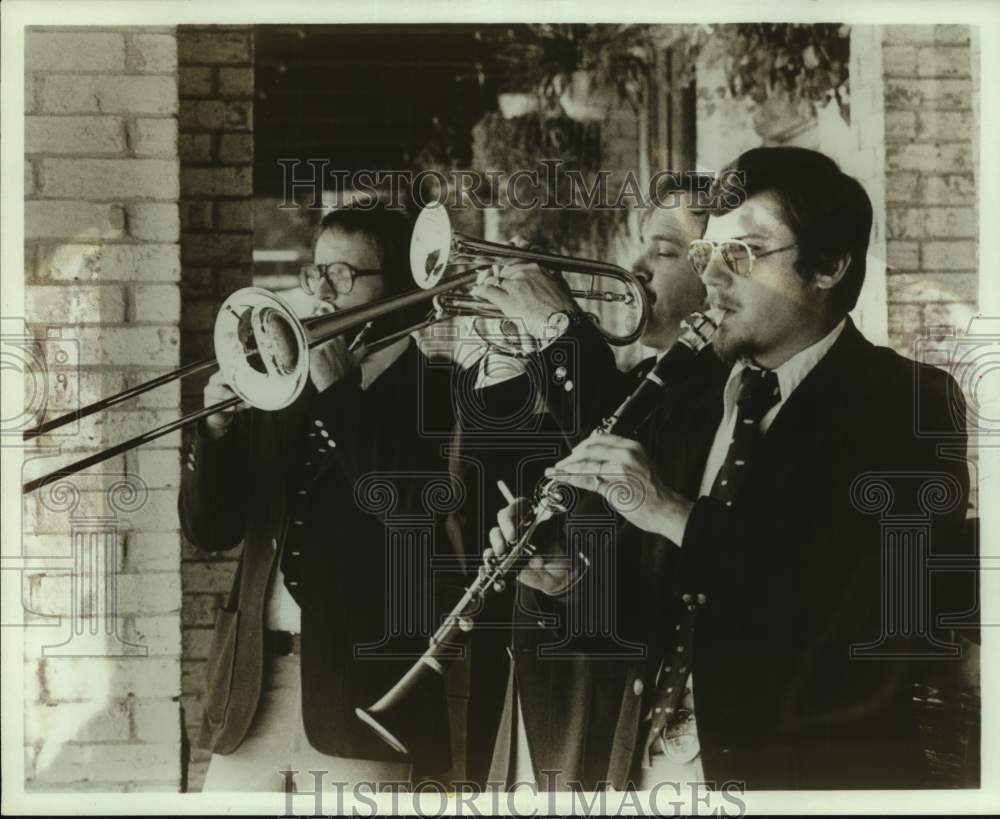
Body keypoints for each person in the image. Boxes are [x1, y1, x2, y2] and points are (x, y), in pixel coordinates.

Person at [490, 147, 970, 790]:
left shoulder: (908, 403)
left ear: (828, 265)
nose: (713, 278)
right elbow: (656, 614)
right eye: (705, 255)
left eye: (742, 254)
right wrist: (565, 585)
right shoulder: (687, 397)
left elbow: (869, 618)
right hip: (649, 772)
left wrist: (674, 514)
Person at [179, 205, 457, 792]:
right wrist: (217, 434)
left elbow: (410, 514)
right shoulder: (283, 387)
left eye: (345, 275)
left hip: (365, 700)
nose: (323, 292)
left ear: (401, 291)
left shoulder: (441, 392)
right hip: (253, 689)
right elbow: (212, 531)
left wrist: (339, 393)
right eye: (318, 272)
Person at [465, 175, 716, 790]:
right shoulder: (645, 374)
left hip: (617, 700)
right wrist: (526, 349)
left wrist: (559, 332)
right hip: (554, 678)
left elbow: (633, 462)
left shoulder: (715, 387)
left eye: (662, 251)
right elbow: (515, 475)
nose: (635, 266)